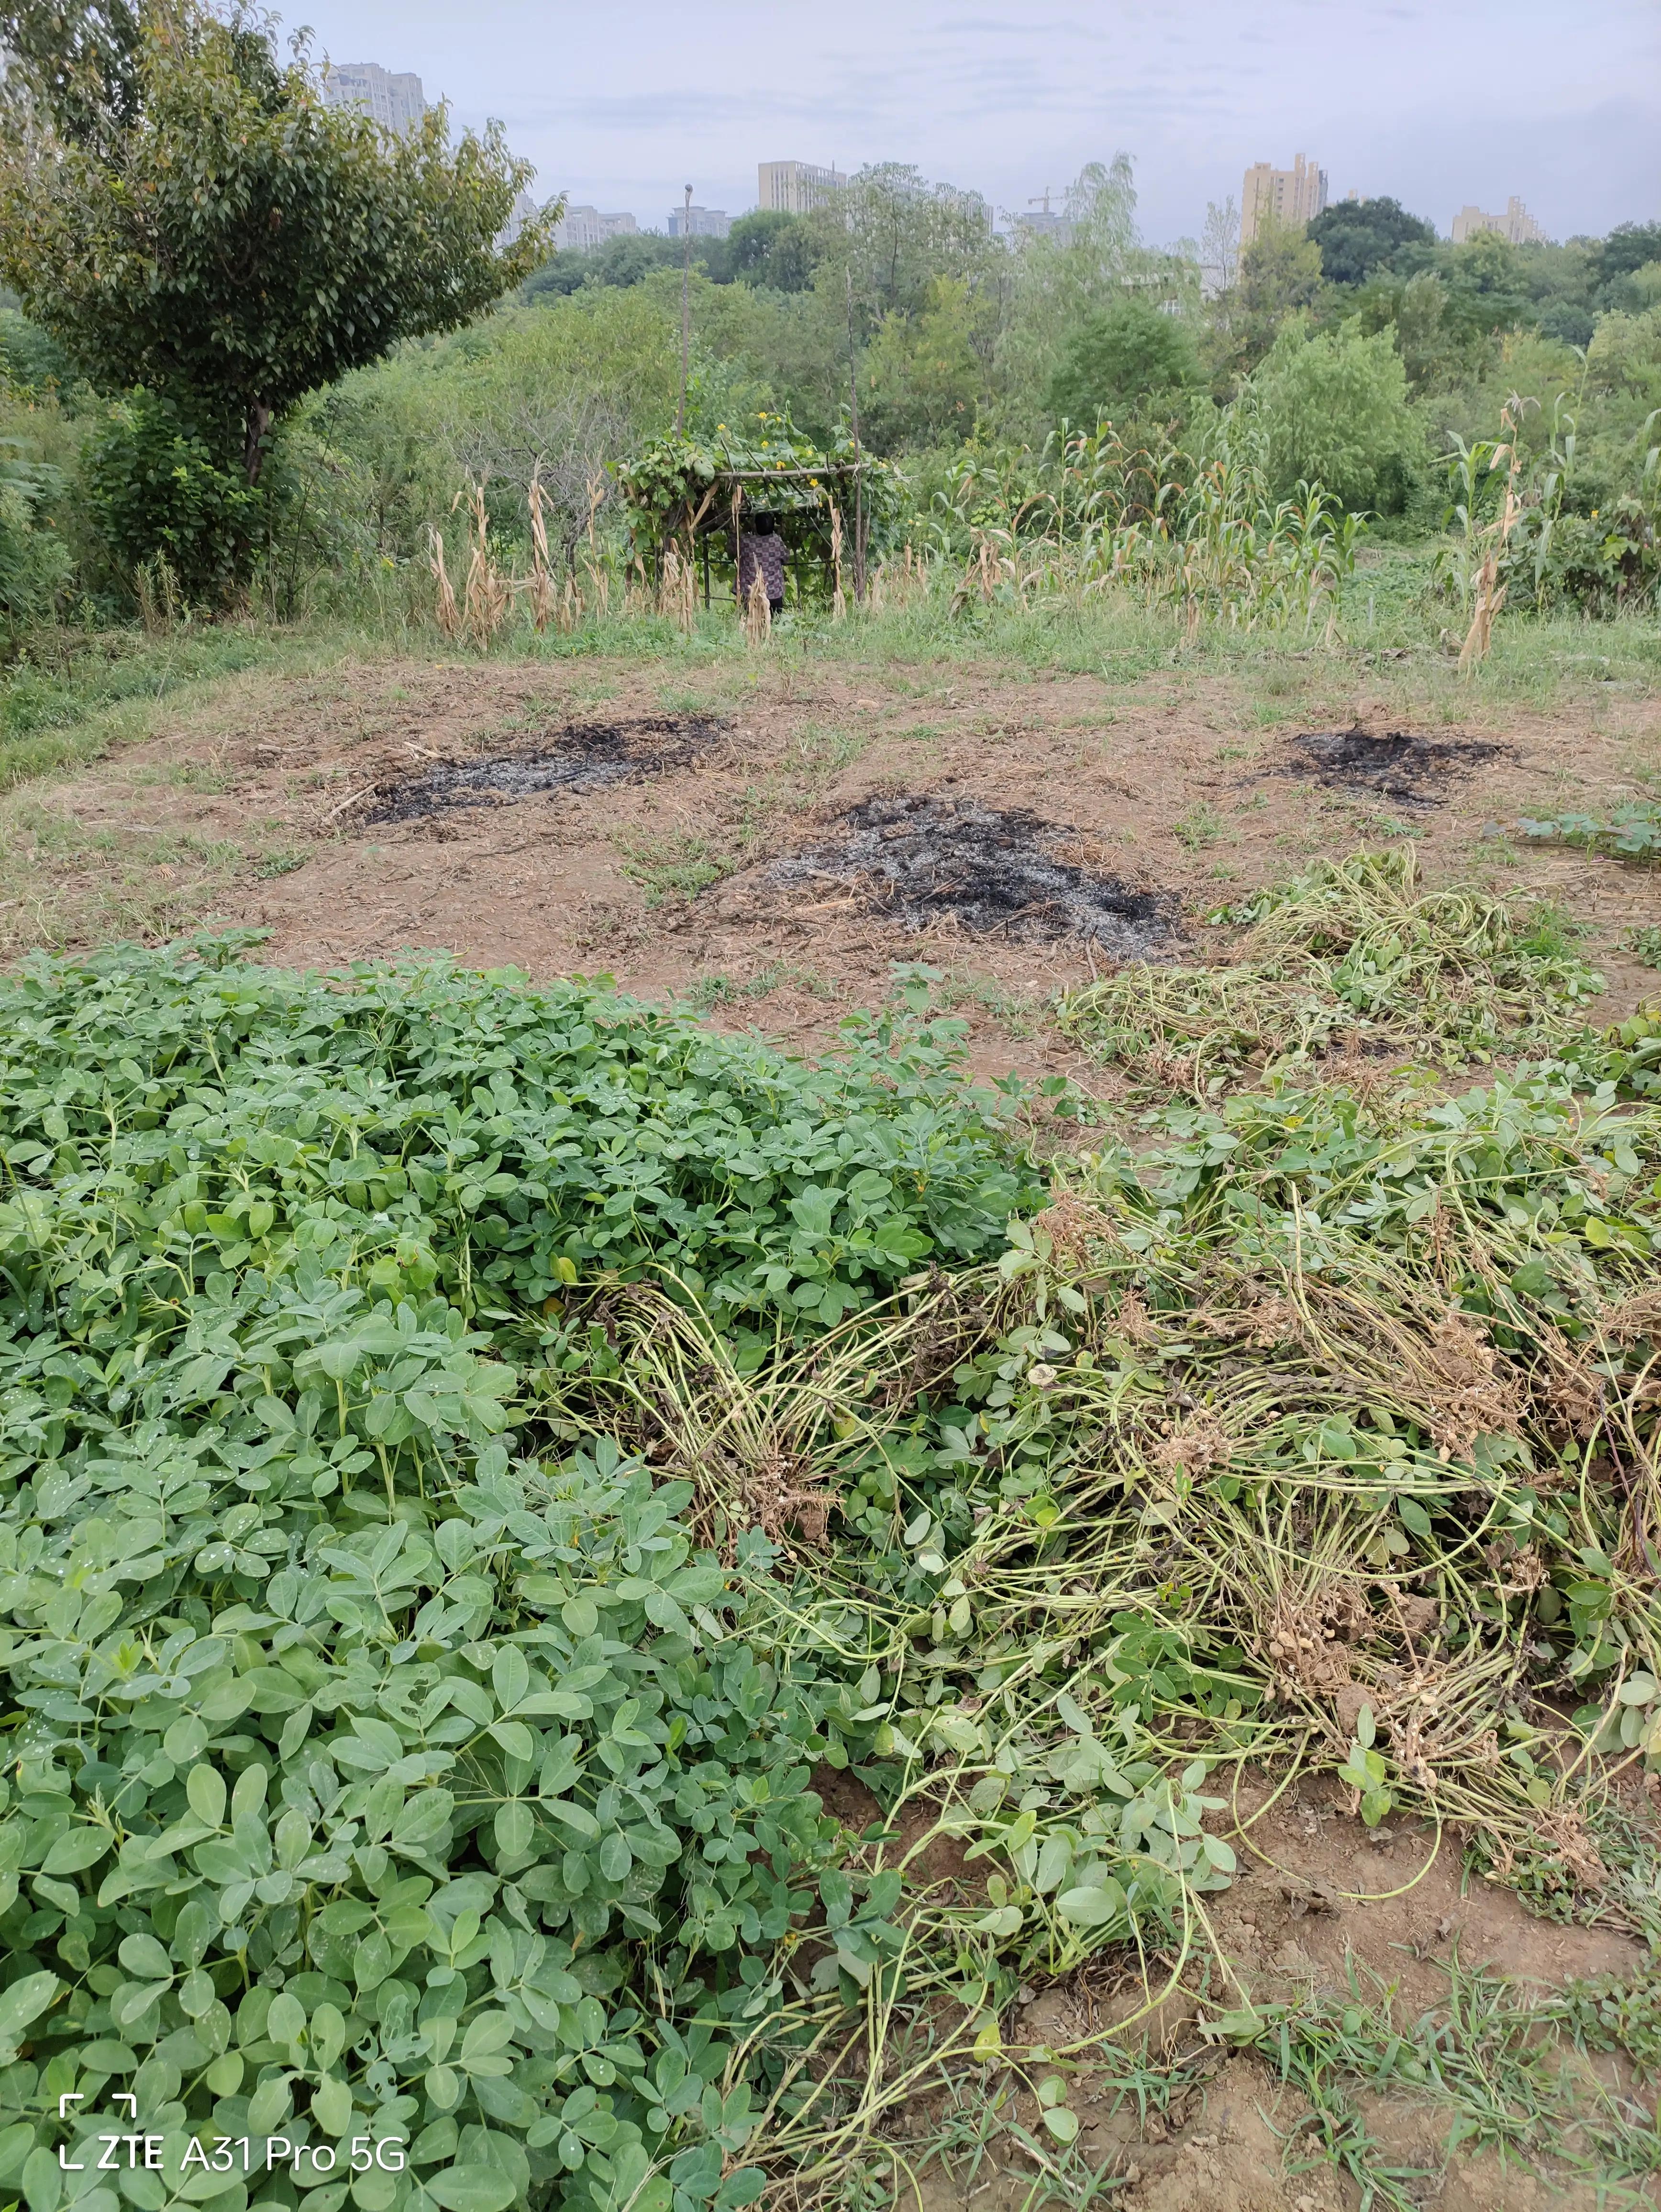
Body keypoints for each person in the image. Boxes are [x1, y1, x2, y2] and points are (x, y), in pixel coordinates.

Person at [737, 513, 786, 617]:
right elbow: (786, 558)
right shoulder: (776, 541)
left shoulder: (746, 542)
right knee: (774, 626)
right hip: (773, 594)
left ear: (755, 526)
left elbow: (732, 551)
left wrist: (743, 529)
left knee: (750, 624)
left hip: (750, 594)